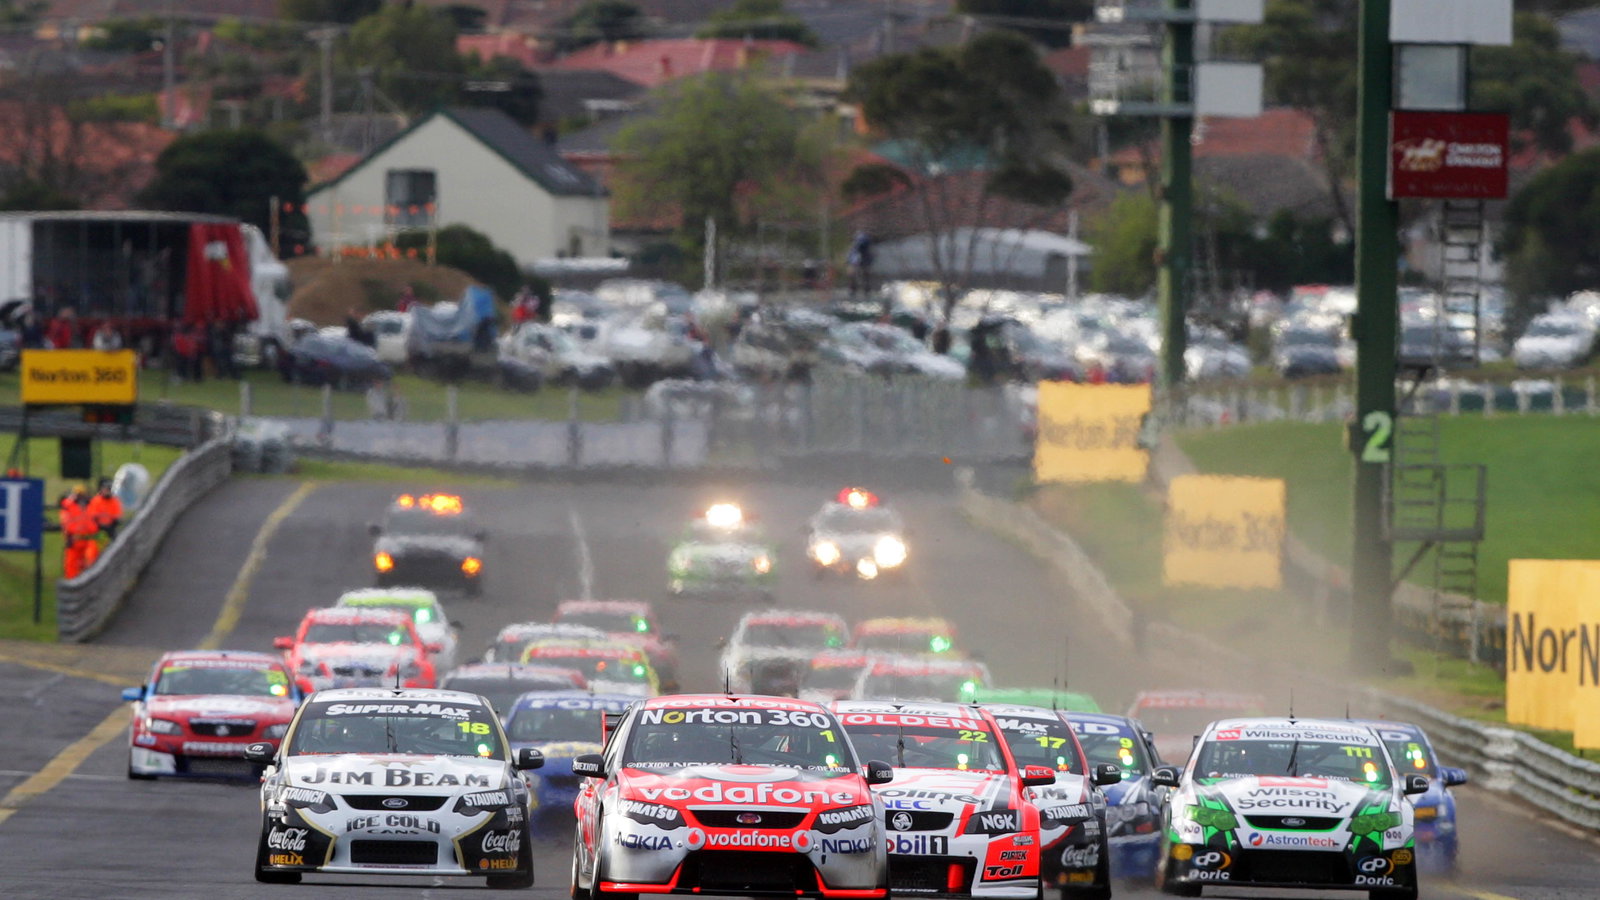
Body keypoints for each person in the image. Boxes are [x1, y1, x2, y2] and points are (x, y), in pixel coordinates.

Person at [60, 484, 100, 579]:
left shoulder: (90, 505)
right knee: (71, 563)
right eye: (78, 494)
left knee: (89, 560)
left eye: (81, 494)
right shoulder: (68, 505)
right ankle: (72, 582)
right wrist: (68, 537)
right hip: (74, 539)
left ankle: (87, 580)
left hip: (88, 539)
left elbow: (93, 522)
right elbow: (65, 522)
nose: (80, 497)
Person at [847, 231, 874, 298]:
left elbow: (852, 256)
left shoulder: (863, 248)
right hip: (858, 262)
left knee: (863, 275)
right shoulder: (856, 248)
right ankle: (855, 290)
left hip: (862, 261)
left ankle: (863, 290)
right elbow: (852, 256)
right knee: (857, 275)